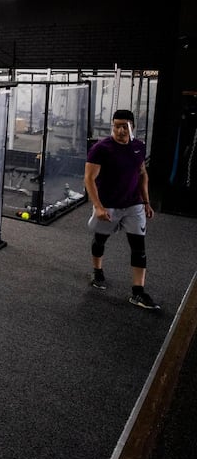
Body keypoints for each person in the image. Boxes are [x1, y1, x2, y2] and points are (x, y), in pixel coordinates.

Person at [84, 109, 158, 310]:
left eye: (124, 126)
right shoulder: (101, 149)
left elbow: (142, 174)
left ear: (132, 127)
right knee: (100, 239)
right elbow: (89, 179)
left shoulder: (139, 147)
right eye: (116, 126)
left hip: (133, 204)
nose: (120, 130)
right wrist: (98, 207)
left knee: (139, 247)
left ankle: (138, 292)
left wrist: (146, 202)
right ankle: (97, 271)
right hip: (108, 205)